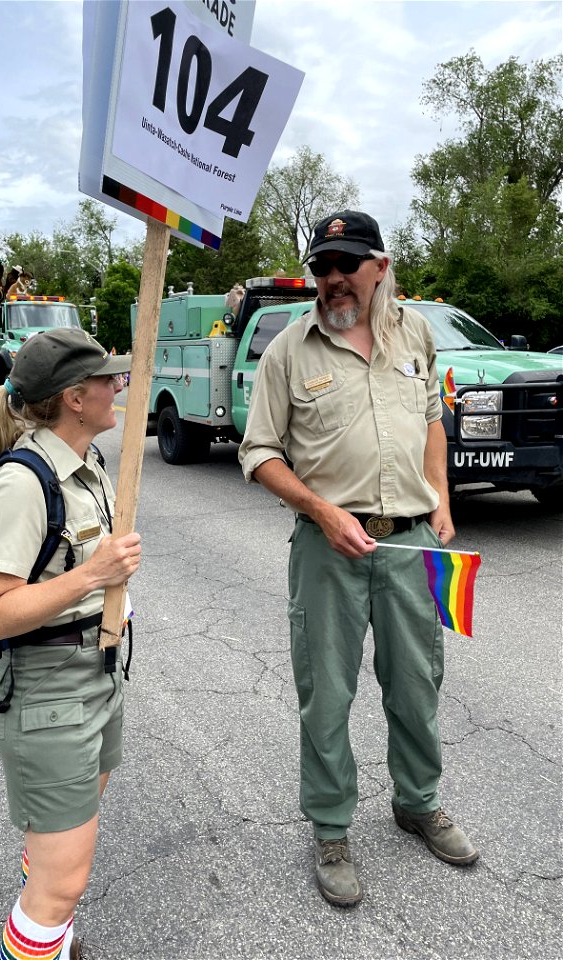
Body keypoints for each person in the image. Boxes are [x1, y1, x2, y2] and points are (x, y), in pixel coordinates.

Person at [239, 210, 479, 909]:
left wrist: (441, 502)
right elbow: (258, 453)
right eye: (323, 266)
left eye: (347, 263)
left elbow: (433, 416)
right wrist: (321, 511)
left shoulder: (415, 334)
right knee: (328, 696)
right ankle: (332, 829)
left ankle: (418, 802)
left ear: (379, 265)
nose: (334, 278)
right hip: (327, 549)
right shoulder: (290, 348)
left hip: (410, 543)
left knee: (416, 684)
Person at [0, 328, 141, 959]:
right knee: (63, 885)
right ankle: (39, 922)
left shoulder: (88, 462)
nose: (118, 385)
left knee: (57, 848)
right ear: (74, 396)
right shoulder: (21, 485)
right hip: (48, 689)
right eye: (108, 378)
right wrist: (94, 575)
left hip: (98, 671)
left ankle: (41, 905)